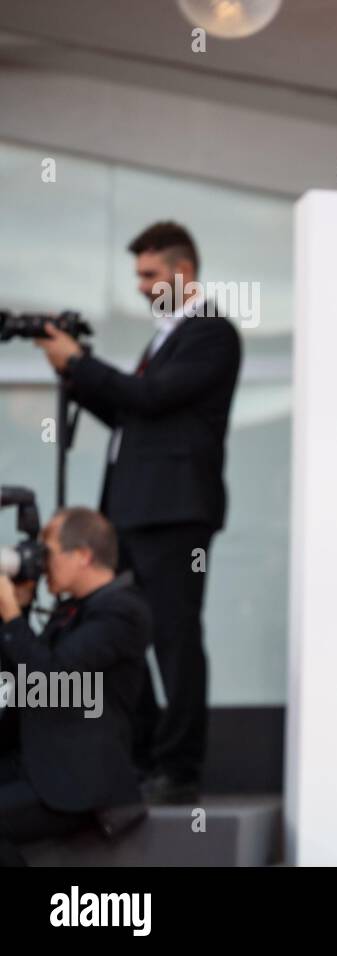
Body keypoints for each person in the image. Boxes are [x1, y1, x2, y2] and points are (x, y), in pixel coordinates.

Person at [33, 221, 242, 804]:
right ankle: (146, 753)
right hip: (133, 512)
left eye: (149, 275)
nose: (142, 286)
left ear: (182, 272)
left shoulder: (211, 333)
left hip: (174, 516)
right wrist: (73, 372)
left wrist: (81, 362)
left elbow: (148, 399)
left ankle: (179, 768)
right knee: (127, 629)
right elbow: (133, 414)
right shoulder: (166, 338)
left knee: (174, 638)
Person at [0, 507, 153, 867]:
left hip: (76, 779)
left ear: (83, 555)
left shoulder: (122, 612)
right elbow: (25, 682)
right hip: (36, 763)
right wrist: (11, 614)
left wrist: (13, 618)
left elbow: (51, 680)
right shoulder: (71, 613)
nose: (39, 564)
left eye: (47, 553)